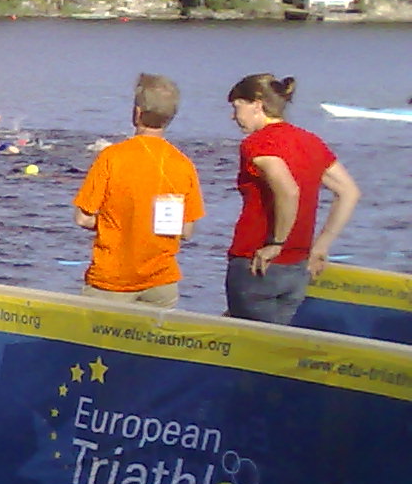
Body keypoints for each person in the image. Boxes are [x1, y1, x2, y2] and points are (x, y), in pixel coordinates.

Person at [225, 75, 362, 323]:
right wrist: (321, 247)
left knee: (250, 341)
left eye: (237, 107)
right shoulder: (310, 141)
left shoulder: (258, 143)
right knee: (276, 340)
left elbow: (288, 190)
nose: (233, 117)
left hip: (257, 262)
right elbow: (349, 192)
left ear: (257, 104)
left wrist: (276, 243)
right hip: (297, 267)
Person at [71, 75, 203, 307]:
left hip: (110, 282)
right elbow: (186, 231)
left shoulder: (112, 157)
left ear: (137, 113)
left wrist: (118, 223)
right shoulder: (184, 164)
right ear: (170, 118)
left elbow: (83, 218)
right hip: (161, 283)